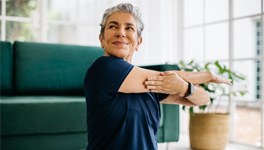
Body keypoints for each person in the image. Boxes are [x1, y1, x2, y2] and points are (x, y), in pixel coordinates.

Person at [83, 3, 231, 150]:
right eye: (113, 26)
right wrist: (208, 75)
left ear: (138, 42)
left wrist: (185, 88)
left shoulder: (149, 83)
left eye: (129, 28)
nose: (120, 32)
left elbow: (203, 99)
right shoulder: (103, 68)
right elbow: (169, 77)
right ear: (101, 39)